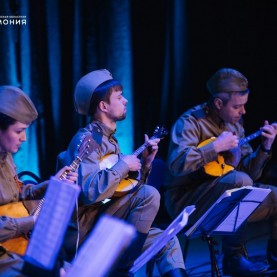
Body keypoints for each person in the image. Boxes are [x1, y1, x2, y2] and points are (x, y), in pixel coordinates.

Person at [56, 69, 188, 276]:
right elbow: (90, 193)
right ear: (103, 106)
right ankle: (121, 270)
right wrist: (123, 165)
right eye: (119, 97)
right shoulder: (88, 140)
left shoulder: (109, 140)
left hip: (110, 222)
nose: (125, 100)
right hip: (89, 231)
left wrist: (145, 164)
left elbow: (125, 190)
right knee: (150, 194)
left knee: (166, 240)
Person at [163, 67, 277, 276]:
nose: (243, 112)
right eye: (237, 107)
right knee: (239, 182)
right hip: (187, 200)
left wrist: (265, 147)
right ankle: (234, 259)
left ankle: (275, 260)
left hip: (225, 191)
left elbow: (250, 175)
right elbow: (176, 164)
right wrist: (215, 147)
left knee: (273, 195)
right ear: (218, 103)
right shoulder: (190, 122)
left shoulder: (236, 125)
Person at [0, 86, 78, 276]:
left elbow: (15, 193)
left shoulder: (6, 156)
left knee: (67, 267)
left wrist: (51, 185)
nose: (24, 138)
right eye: (19, 131)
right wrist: (31, 222)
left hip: (14, 244)